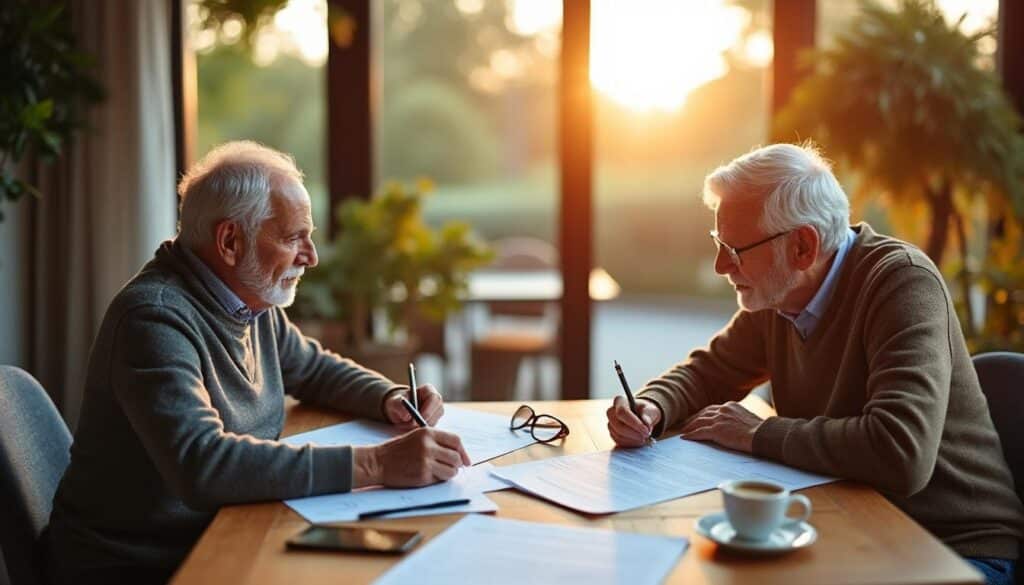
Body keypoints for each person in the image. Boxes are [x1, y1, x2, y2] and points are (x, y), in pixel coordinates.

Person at [46, 141, 470, 585]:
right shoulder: (152, 319)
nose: (311, 256)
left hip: (215, 532)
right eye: (293, 238)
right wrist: (377, 465)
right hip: (139, 564)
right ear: (230, 241)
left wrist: (390, 398)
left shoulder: (246, 299)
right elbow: (202, 465)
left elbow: (311, 367)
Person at [606, 143, 1023, 585]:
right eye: (718, 242)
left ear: (803, 246)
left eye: (734, 248)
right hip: (851, 526)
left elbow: (901, 452)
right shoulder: (778, 293)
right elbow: (710, 372)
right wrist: (651, 407)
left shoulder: (900, 282)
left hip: (954, 549)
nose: (720, 265)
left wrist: (758, 434)